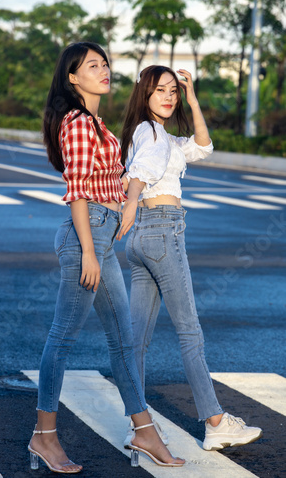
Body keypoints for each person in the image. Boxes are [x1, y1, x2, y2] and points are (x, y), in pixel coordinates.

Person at [28, 44, 185, 474]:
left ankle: (144, 431)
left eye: (106, 64)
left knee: (123, 340)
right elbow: (79, 190)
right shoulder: (78, 122)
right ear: (73, 78)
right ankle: (44, 436)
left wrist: (124, 209)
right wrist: (91, 252)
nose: (104, 71)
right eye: (92, 66)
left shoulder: (96, 124)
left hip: (101, 237)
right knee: (62, 338)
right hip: (87, 241)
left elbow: (108, 184)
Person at [117, 65, 263, 451]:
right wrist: (130, 202)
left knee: (136, 342)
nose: (169, 96)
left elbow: (203, 146)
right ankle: (215, 422)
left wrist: (194, 99)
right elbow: (142, 171)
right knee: (189, 333)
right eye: (160, 90)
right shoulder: (152, 134)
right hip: (163, 231)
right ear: (144, 95)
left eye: (174, 91)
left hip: (141, 241)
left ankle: (138, 426)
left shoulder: (151, 133)